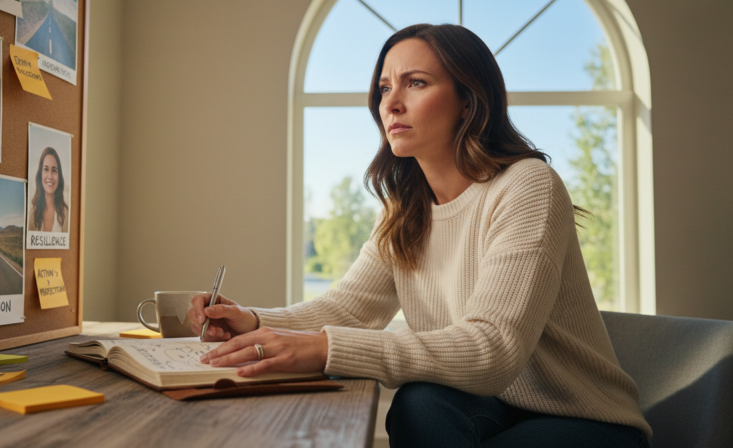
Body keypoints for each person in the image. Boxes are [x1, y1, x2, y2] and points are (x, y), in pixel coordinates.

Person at [189, 24, 651, 447]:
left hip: (585, 421)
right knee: (418, 404)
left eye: (416, 83)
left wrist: (325, 347)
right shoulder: (404, 208)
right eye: (385, 87)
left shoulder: (527, 185)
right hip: (489, 407)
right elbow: (348, 309)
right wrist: (253, 320)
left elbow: (492, 349)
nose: (390, 103)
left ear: (468, 101)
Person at [28, 147, 69, 232]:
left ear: (59, 176)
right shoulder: (32, 214)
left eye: (54, 170)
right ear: (40, 174)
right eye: (46, 169)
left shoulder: (66, 214)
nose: (50, 176)